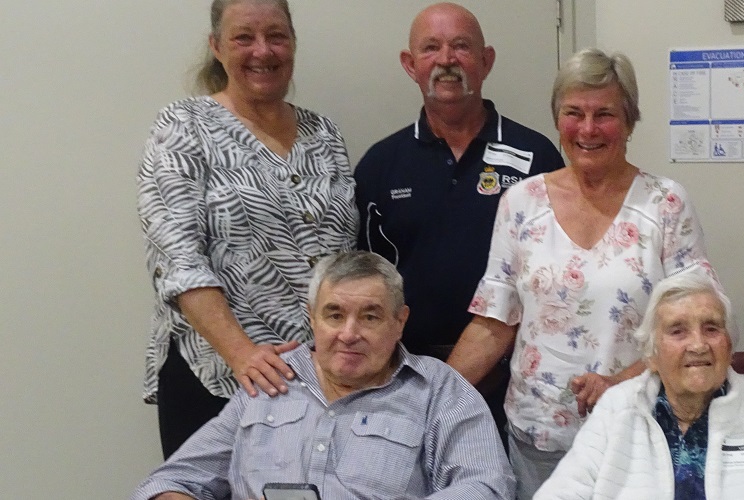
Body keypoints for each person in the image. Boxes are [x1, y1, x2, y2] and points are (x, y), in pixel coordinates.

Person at [446, 48, 712, 499]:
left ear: (629, 121)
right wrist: (432, 393)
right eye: (574, 113)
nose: (587, 129)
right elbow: (495, 320)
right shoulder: (521, 203)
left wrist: (619, 383)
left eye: (604, 114)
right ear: (557, 119)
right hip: (538, 440)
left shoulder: (665, 204)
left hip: (639, 432)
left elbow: (696, 332)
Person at [137, 0, 357, 458]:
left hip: (316, 379)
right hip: (217, 377)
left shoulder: (324, 134)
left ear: (293, 44)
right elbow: (177, 261)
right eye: (244, 37)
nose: (263, 50)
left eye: (277, 36)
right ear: (217, 47)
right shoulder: (182, 128)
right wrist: (242, 355)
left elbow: (344, 257)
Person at [131, 251, 514, 500]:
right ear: (312, 319)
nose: (349, 334)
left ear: (400, 323)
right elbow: (169, 482)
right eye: (334, 315)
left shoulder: (437, 390)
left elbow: (487, 485)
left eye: (370, 316)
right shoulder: (268, 383)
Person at [355, 1, 566, 437]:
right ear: (410, 65)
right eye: (431, 48)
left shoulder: (537, 157)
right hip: (404, 380)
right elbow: (364, 280)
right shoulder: (380, 165)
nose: (447, 60)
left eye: (461, 47)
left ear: (486, 61)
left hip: (514, 382)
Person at [535, 269, 744, 499]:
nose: (698, 345)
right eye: (678, 331)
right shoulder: (619, 406)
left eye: (711, 328)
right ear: (652, 355)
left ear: (729, 346)